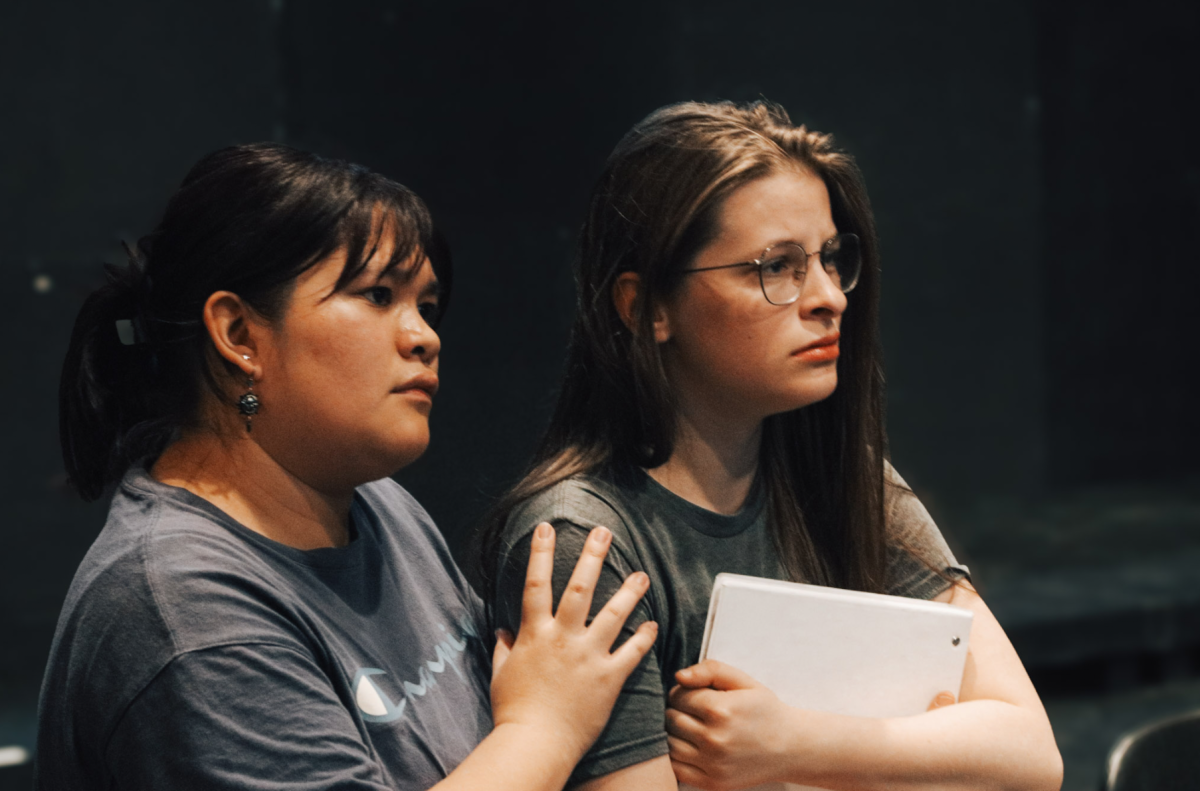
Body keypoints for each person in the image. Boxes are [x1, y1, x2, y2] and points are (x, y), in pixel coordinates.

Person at [480, 101, 1063, 790]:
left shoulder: (847, 477)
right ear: (644, 308)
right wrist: (915, 757)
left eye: (829, 259)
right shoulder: (587, 539)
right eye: (776, 267)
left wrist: (793, 742)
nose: (828, 298)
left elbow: (1029, 753)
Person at [38, 143, 658, 791]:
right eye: (378, 294)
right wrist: (545, 727)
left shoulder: (379, 504)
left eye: (426, 305)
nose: (424, 335)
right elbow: (529, 724)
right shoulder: (182, 607)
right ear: (239, 335)